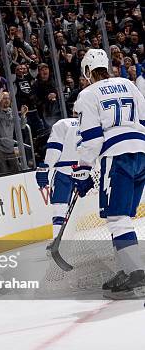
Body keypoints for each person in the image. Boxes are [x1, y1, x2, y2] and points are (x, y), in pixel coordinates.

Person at [72, 49, 145, 298]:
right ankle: (126, 269)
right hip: (142, 154)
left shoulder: (87, 94)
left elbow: (92, 139)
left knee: (116, 218)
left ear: (86, 72)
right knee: (124, 217)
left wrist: (82, 169)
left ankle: (136, 273)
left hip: (117, 156)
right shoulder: (128, 84)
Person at [36, 116, 80, 247]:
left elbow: (55, 148)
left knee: (59, 207)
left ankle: (57, 240)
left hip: (64, 172)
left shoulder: (63, 123)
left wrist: (46, 167)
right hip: (85, 170)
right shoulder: (92, 122)